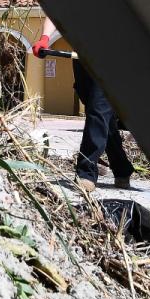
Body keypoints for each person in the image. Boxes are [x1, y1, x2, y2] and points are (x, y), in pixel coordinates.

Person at [31, 17, 135, 192]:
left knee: (98, 110)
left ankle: (86, 173)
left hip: (112, 58)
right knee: (102, 117)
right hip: (81, 58)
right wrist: (45, 38)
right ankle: (122, 168)